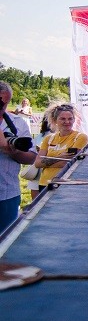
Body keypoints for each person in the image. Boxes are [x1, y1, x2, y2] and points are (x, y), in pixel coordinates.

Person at [32, 104, 88, 201]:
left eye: (70, 119)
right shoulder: (48, 139)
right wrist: (60, 156)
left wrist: (47, 161)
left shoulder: (80, 137)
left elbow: (68, 163)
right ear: (55, 120)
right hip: (45, 183)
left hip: (65, 182)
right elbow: (37, 163)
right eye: (63, 119)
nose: (67, 122)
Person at [0, 82, 36, 230]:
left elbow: (32, 157)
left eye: (3, 104)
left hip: (7, 193)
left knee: (6, 241)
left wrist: (12, 150)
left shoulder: (18, 123)